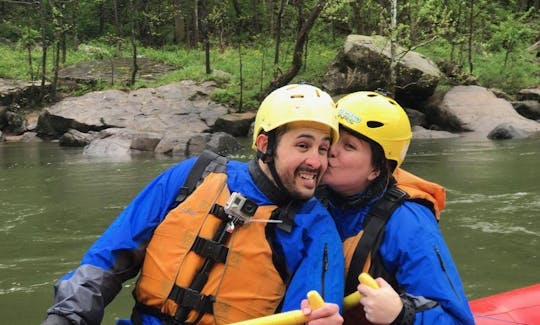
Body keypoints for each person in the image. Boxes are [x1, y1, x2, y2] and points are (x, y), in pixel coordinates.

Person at [41, 84, 344, 325]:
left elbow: (309, 310)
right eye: (303, 145)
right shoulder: (192, 176)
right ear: (265, 146)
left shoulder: (316, 230)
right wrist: (67, 317)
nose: (315, 162)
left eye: (323, 149)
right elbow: (109, 258)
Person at [317, 91, 475, 324]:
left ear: (377, 170)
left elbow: (457, 320)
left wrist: (402, 314)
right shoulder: (308, 192)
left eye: (349, 146)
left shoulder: (408, 222)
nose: (331, 149)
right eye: (333, 137)